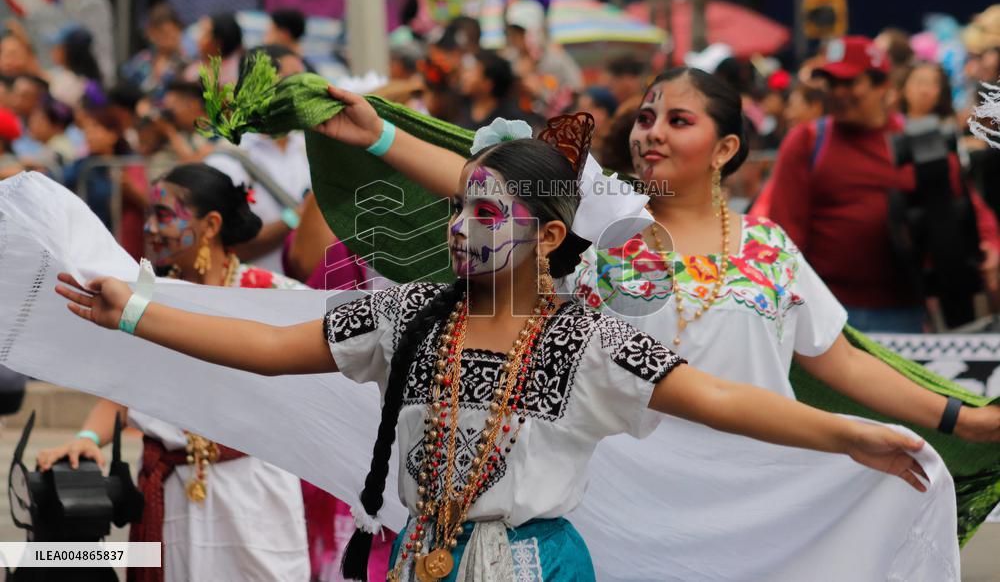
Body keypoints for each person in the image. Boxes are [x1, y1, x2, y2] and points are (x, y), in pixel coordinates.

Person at [54, 121, 933, 582]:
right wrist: (136, 313)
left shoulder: (584, 337)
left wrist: (847, 437)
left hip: (535, 566)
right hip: (418, 559)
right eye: (456, 211)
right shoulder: (407, 316)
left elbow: (717, 398)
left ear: (551, 236)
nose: (458, 230)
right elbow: (269, 346)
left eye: (485, 214)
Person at [310, 72, 999, 579]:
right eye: (645, 117)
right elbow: (484, 186)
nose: (652, 133)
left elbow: (840, 362)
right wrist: (382, 138)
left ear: (726, 146)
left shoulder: (771, 249)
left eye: (678, 120)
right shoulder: (602, 225)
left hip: (757, 497)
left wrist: (959, 420)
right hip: (629, 498)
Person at [37, 163, 310, 582]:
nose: (149, 228)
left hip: (254, 496)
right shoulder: (141, 299)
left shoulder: (276, 296)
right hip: (172, 497)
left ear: (211, 224)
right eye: (149, 215)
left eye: (163, 216)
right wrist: (86, 439)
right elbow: (122, 390)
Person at [768, 36, 1000, 332]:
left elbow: (970, 208)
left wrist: (989, 245)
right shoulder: (806, 142)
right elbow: (785, 235)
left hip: (907, 314)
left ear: (882, 86)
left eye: (849, 83)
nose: (837, 93)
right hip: (827, 314)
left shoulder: (920, 140)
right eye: (831, 83)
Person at [205, 45, 311, 274]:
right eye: (292, 80)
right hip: (254, 299)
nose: (304, 90)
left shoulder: (308, 148)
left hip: (314, 296)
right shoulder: (226, 161)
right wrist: (297, 217)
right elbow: (226, 245)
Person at [65, 105, 147, 259]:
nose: (89, 135)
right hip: (88, 242)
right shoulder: (81, 166)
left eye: (95, 128)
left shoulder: (130, 163)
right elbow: (60, 179)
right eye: (86, 130)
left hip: (123, 242)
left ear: (113, 135)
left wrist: (129, 188)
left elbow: (147, 203)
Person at [454, 50, 538, 131]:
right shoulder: (459, 107)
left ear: (488, 83)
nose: (464, 77)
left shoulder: (510, 120)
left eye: (471, 72)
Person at [120, 2, 189, 98]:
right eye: (163, 33)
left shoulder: (186, 63)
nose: (168, 38)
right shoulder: (140, 62)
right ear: (151, 33)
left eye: (172, 33)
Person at [183, 13, 243, 85]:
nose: (198, 38)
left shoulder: (235, 74)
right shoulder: (193, 69)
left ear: (218, 42)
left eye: (205, 33)